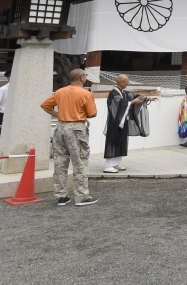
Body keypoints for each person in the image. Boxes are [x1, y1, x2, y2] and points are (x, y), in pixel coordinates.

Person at [40, 68, 98, 206]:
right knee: (80, 161)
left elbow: (45, 105)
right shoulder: (85, 93)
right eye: (85, 76)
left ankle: (61, 195)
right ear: (81, 78)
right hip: (76, 127)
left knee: (60, 162)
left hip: (60, 126)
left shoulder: (60, 92)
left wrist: (58, 115)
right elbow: (92, 113)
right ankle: (82, 196)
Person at [103, 74, 145, 173]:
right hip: (115, 122)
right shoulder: (114, 93)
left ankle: (116, 163)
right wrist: (132, 102)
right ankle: (108, 166)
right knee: (113, 141)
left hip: (122, 121)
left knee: (121, 141)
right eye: (127, 82)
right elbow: (120, 104)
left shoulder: (123, 92)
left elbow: (133, 96)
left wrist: (145, 99)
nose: (128, 83)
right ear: (121, 82)